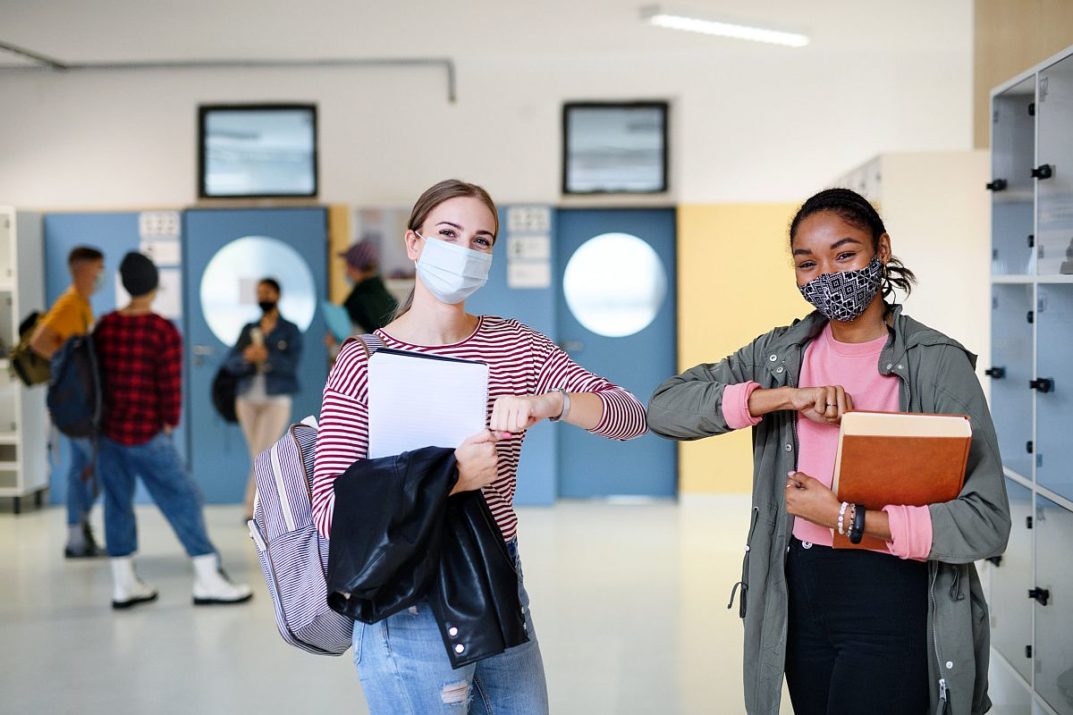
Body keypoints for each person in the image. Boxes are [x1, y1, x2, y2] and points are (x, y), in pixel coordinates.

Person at [647, 188, 1010, 715]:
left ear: (881, 251)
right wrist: (779, 397)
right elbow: (664, 409)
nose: (828, 275)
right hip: (797, 590)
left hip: (892, 591)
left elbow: (985, 522)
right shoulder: (780, 356)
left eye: (845, 255)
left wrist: (846, 517)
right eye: (807, 263)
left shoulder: (937, 364)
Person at [311, 179, 647, 713]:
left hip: (496, 578)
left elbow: (630, 416)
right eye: (448, 233)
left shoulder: (517, 344)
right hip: (406, 596)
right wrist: (449, 478)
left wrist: (551, 403)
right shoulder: (364, 362)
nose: (465, 251)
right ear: (414, 243)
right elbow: (332, 511)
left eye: (481, 240)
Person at [94, 252, 252, 609]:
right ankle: (207, 577)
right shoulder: (161, 329)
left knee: (117, 504)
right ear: (153, 285)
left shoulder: (106, 326)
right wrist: (169, 423)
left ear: (123, 284)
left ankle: (123, 584)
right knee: (184, 499)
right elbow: (169, 386)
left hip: (108, 433)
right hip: (147, 433)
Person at [30, 245, 106, 558]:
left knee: (90, 468)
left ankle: (81, 530)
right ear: (80, 270)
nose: (100, 274)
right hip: (73, 405)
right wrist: (66, 366)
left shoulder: (83, 304)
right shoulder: (68, 304)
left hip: (84, 403)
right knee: (84, 469)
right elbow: (38, 342)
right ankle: (76, 535)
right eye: (97, 269)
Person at [224, 278, 303, 520]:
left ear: (277, 295)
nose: (263, 297)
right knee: (257, 454)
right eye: (259, 293)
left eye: (267, 292)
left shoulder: (289, 330)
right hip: (246, 398)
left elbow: (292, 365)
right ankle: (262, 509)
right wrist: (248, 357)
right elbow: (230, 362)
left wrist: (267, 356)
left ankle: (253, 510)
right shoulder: (249, 328)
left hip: (276, 399)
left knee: (263, 454)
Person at [339, 241, 398, 333]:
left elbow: (340, 330)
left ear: (355, 268)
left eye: (348, 265)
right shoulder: (389, 298)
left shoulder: (357, 299)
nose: (347, 271)